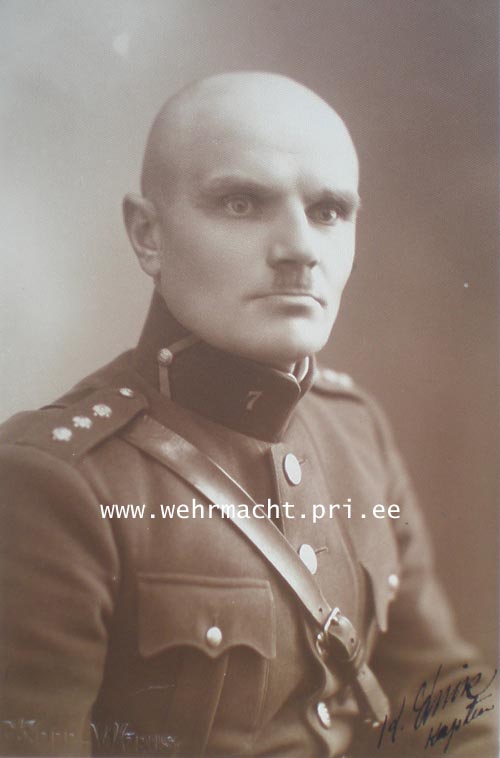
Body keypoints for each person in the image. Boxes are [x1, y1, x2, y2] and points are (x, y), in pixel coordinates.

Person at [0, 72, 496, 757]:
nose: (300, 248)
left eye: (328, 211)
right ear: (148, 234)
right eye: (241, 203)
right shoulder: (55, 482)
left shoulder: (355, 431)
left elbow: (442, 703)